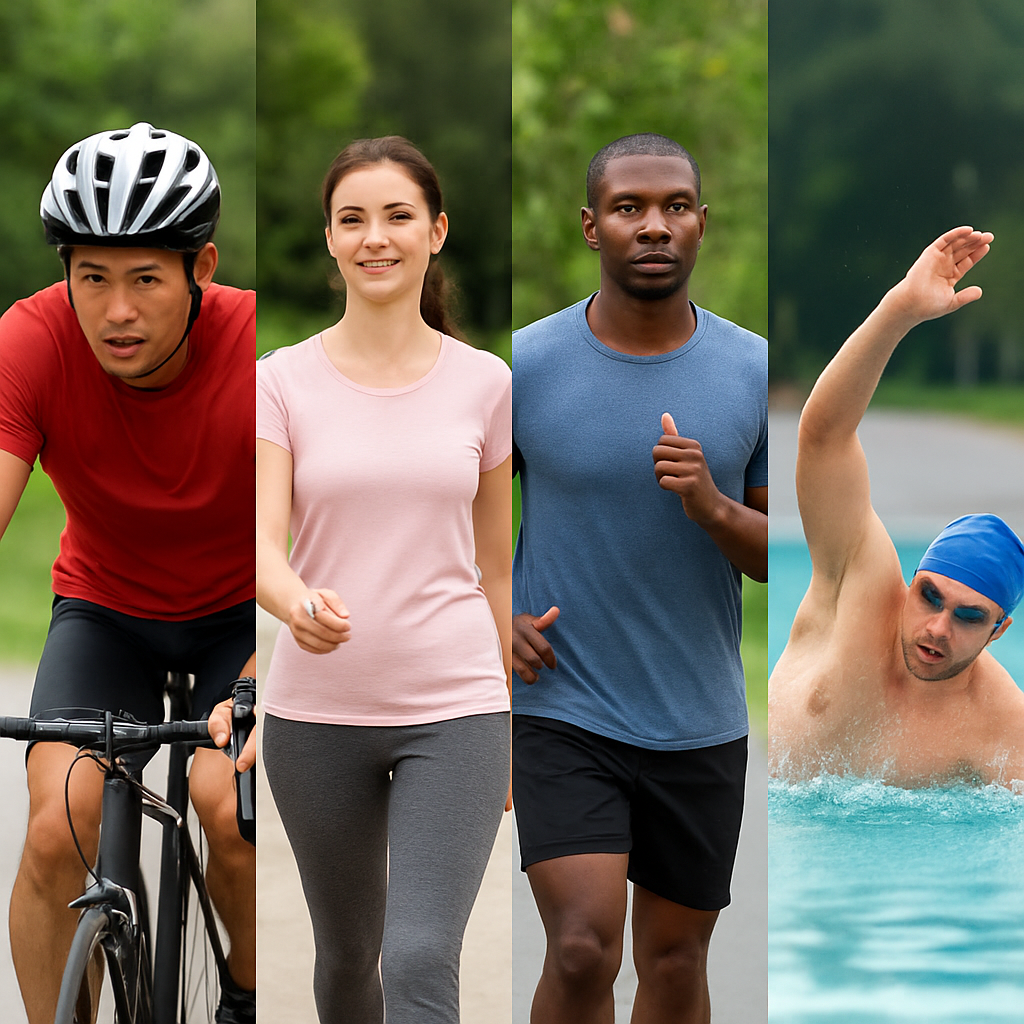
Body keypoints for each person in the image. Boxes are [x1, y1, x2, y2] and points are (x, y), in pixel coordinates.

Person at [0, 122, 256, 1024]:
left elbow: (324, 538)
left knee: (229, 807)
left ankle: (247, 998)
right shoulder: (31, 340)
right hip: (106, 611)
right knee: (55, 826)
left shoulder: (258, 354)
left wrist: (279, 677)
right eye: (92, 278)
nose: (116, 311)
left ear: (201, 268)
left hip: (244, 617)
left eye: (145, 278)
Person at [511, 133, 768, 1024]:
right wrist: (491, 610)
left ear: (702, 223)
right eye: (630, 208)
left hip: (698, 716)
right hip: (562, 708)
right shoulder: (524, 366)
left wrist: (714, 507)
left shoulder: (751, 370)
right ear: (592, 226)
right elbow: (453, 519)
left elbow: (786, 559)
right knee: (582, 946)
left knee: (674, 960)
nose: (654, 226)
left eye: (675, 207)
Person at [256, 135, 511, 1024]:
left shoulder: (486, 383)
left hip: (458, 709)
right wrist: (295, 602)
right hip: (316, 716)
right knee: (346, 961)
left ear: (435, 232)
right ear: (329, 238)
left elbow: (497, 566)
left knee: (419, 956)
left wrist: (516, 716)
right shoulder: (280, 380)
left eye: (398, 216)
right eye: (352, 219)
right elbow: (261, 546)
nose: (376, 237)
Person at [769, 226, 1024, 787]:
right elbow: (824, 437)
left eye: (969, 617)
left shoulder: (1004, 729)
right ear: (911, 581)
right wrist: (900, 311)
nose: (937, 627)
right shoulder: (857, 592)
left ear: (998, 631)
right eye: (930, 594)